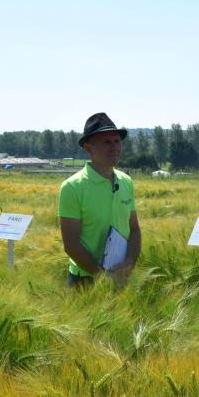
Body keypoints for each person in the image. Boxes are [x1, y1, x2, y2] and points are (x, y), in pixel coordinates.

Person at [59, 112, 141, 286]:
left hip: (121, 278)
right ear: (88, 147)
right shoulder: (72, 187)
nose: (114, 147)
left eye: (117, 141)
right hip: (85, 280)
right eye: (106, 142)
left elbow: (134, 229)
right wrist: (102, 276)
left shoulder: (126, 182)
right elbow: (71, 244)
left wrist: (129, 263)